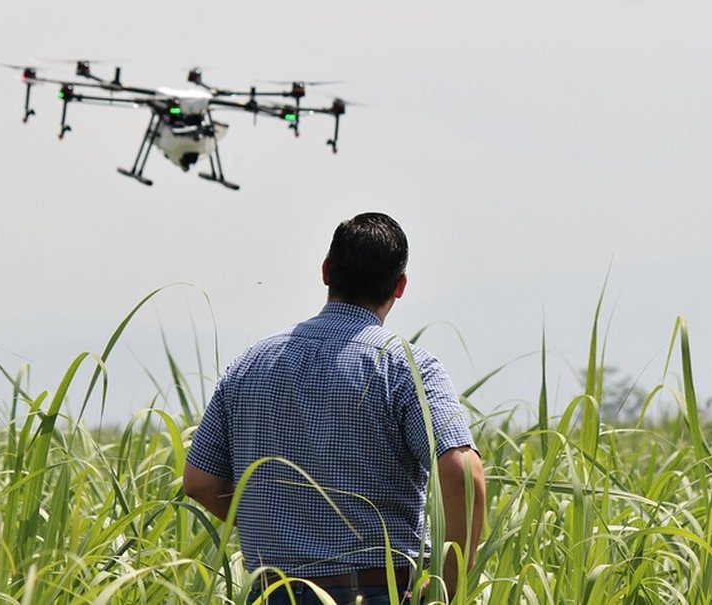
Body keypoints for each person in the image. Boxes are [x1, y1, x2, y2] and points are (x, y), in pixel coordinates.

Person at [183, 212, 486, 605]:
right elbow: (463, 472)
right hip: (378, 591)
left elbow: (199, 481)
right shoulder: (407, 367)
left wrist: (282, 528)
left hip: (275, 592)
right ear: (400, 286)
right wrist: (447, 585)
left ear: (326, 271)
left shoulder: (249, 365)